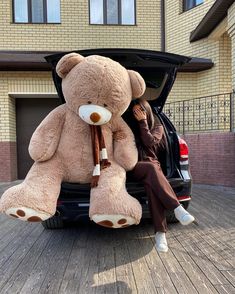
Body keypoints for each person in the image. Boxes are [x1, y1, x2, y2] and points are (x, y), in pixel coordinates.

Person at [127, 98, 195, 252]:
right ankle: (177, 208)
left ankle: (160, 234)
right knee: (151, 170)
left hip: (152, 166)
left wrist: (143, 123)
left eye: (141, 110)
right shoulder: (129, 126)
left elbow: (150, 142)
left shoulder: (157, 126)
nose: (138, 114)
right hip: (134, 166)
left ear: (147, 110)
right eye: (135, 112)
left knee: (152, 187)